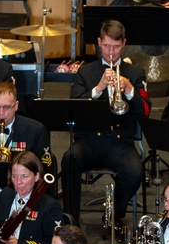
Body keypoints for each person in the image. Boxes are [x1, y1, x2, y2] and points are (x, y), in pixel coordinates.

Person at [61, 20, 148, 233]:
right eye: (107, 46)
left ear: (124, 44)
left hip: (120, 143)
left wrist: (129, 91)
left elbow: (145, 111)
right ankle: (71, 222)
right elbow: (74, 108)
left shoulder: (136, 74)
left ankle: (114, 217)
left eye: (116, 47)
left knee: (135, 171)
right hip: (88, 141)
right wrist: (98, 88)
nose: (111, 52)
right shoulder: (85, 73)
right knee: (69, 159)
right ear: (99, 43)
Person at [0, 82, 53, 178]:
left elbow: (43, 170)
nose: (1, 113)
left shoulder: (35, 129)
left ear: (16, 106)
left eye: (6, 107)